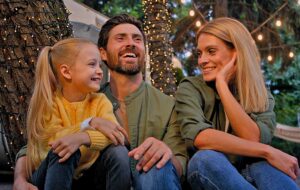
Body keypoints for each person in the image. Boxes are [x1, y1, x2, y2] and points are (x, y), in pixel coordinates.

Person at [13, 14, 187, 190]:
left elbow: (181, 161)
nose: (131, 43)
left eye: (137, 39)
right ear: (102, 52)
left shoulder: (168, 106)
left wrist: (166, 152)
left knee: (151, 165)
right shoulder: (84, 94)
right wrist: (19, 179)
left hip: (148, 178)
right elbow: (38, 144)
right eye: (120, 38)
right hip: (83, 178)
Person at [175, 17, 299, 190]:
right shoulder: (190, 87)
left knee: (265, 168)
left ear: (236, 53)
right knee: (206, 158)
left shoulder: (261, 95)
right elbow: (200, 137)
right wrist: (268, 151)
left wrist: (223, 88)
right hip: (205, 173)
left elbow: (252, 138)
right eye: (199, 53)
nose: (202, 60)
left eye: (211, 51)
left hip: (248, 172)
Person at [17, 38, 131, 190]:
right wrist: (88, 124)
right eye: (92, 64)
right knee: (64, 150)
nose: (99, 71)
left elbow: (116, 137)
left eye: (100, 65)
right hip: (51, 174)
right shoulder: (49, 102)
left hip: (87, 176)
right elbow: (52, 142)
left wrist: (83, 137)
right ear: (66, 72)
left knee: (119, 152)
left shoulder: (100, 101)